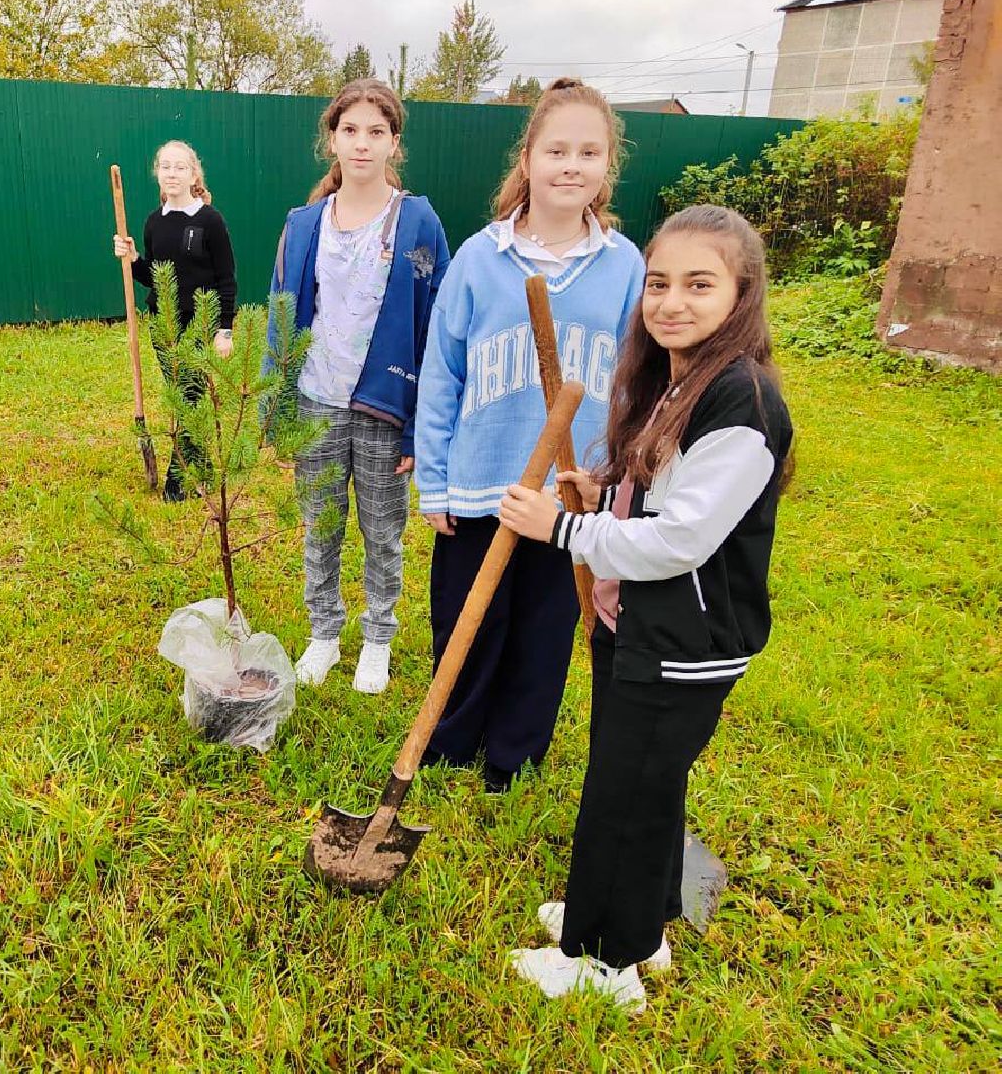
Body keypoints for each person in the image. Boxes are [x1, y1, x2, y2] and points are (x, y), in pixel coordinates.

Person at [502, 204, 794, 1012]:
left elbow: (681, 539)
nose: (671, 301)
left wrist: (562, 527)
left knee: (623, 795)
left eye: (700, 284)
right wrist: (602, 492)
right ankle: (644, 921)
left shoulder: (743, 403)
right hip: (639, 627)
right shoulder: (683, 379)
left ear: (742, 293)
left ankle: (602, 961)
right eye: (658, 283)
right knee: (645, 783)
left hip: (682, 640)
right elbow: (659, 490)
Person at [414, 78, 644, 791]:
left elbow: (637, 381)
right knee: (468, 623)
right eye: (556, 150)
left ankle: (513, 756)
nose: (570, 165)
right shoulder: (482, 260)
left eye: (589, 152)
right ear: (528, 158)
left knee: (543, 632)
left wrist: (616, 485)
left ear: (608, 165)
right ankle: (451, 744)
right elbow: (442, 373)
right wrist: (434, 481)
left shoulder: (625, 266)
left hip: (571, 493)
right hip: (482, 481)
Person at [269, 78, 450, 694]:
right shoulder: (304, 224)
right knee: (320, 525)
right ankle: (324, 633)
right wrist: (277, 403)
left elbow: (436, 325)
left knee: (381, 530)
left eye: (377, 132)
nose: (363, 144)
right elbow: (282, 313)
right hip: (316, 401)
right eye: (351, 131)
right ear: (333, 140)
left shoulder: (419, 223)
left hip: (383, 407)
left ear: (395, 143)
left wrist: (421, 424)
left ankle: (377, 639)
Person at [113, 140, 238, 501]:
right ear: (157, 172)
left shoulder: (210, 221)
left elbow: (227, 279)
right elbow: (156, 276)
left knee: (191, 394)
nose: (171, 173)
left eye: (179, 167)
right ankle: (203, 473)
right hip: (163, 324)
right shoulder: (155, 222)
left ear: (193, 174)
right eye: (165, 166)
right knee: (186, 396)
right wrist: (133, 257)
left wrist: (224, 330)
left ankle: (178, 480)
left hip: (200, 323)